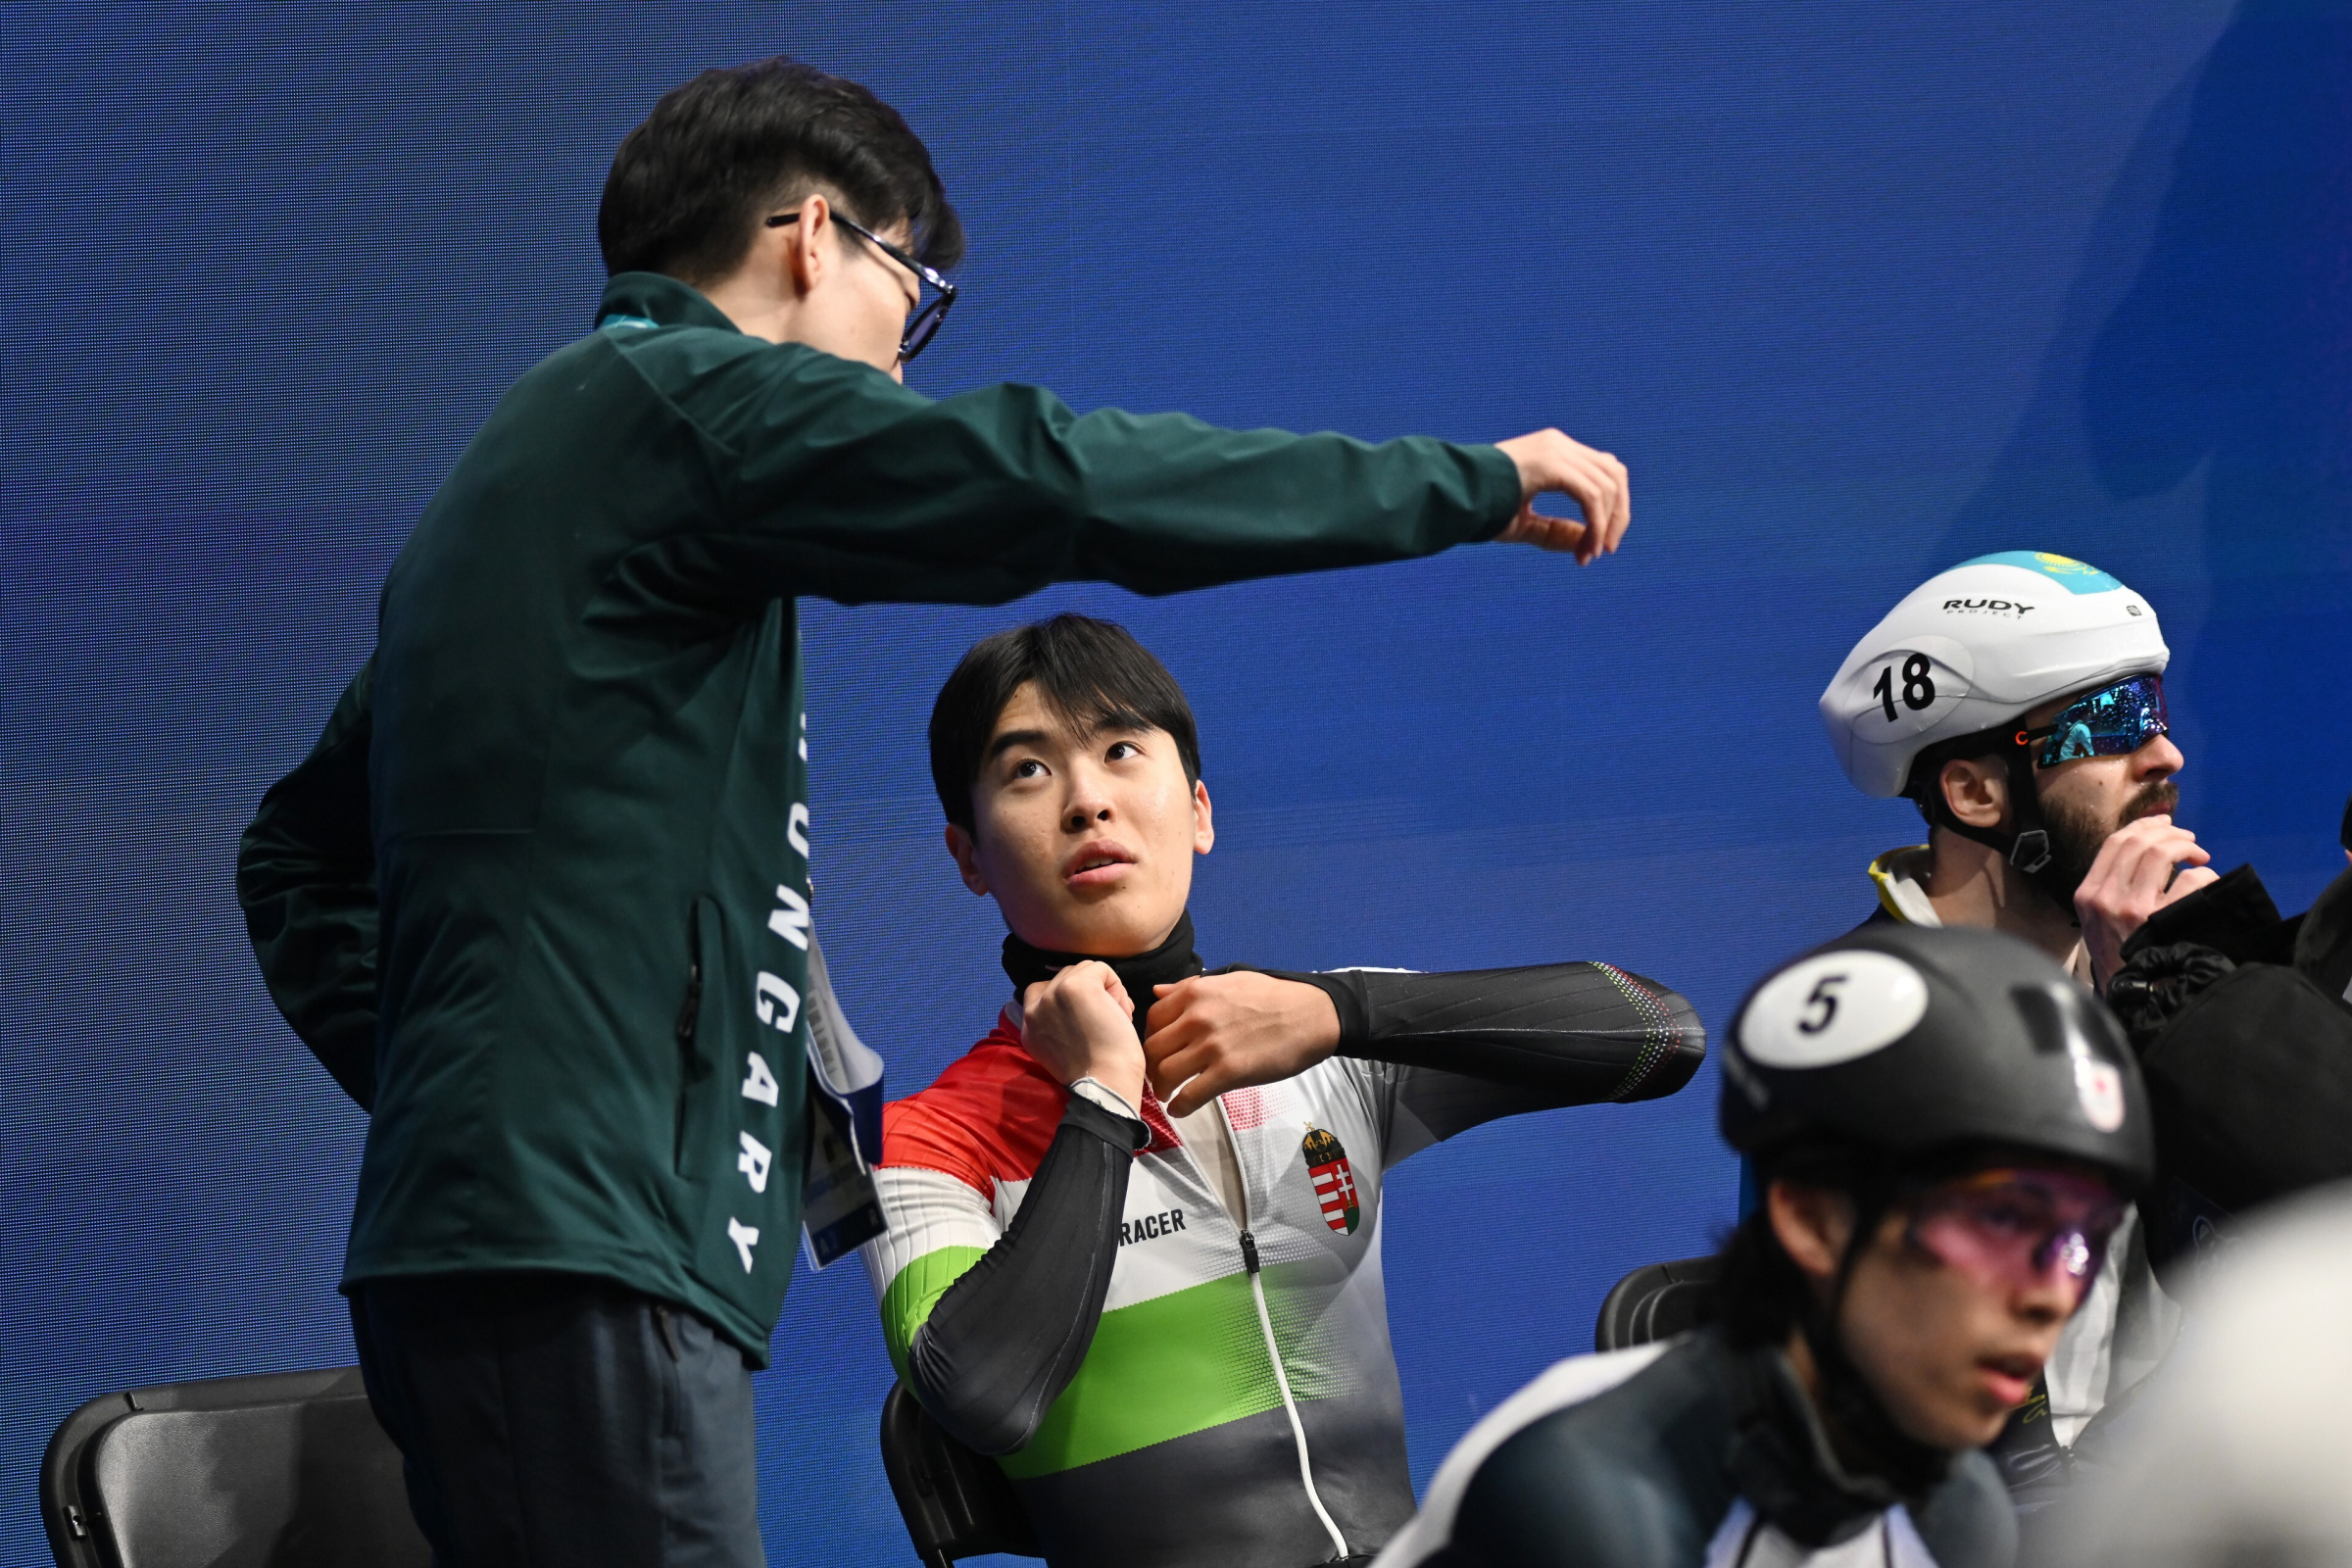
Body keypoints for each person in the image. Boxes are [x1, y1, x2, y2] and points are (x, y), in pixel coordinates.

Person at [232, 57, 1636, 1567]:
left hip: (539, 1233)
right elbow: (1053, 481)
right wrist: (1460, 485)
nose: (901, 366)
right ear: (812, 237)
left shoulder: (548, 476)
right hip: (581, 1241)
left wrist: (478, 1098)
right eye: (912, 290)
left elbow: (297, 855)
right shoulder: (679, 406)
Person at [858, 614, 1705, 1568]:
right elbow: (983, 1396)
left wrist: (1341, 1011)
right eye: (1028, 770)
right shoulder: (923, 1141)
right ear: (968, 856)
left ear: (1201, 812)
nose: (1088, 801)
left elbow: (1659, 1036)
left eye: (1122, 750)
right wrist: (1101, 1099)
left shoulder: (1317, 1035)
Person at [1378, 924, 2152, 1568]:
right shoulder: (1577, 1502)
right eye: (2001, 1221)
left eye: (2081, 1239)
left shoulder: (1960, 1509)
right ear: (1814, 1221)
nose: (2053, 1294)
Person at [1813, 551, 2196, 1490]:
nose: (2165, 755)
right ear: (1976, 794)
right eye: (2111, 722)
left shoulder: (2170, 975)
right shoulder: (1862, 1034)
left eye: (2154, 709)